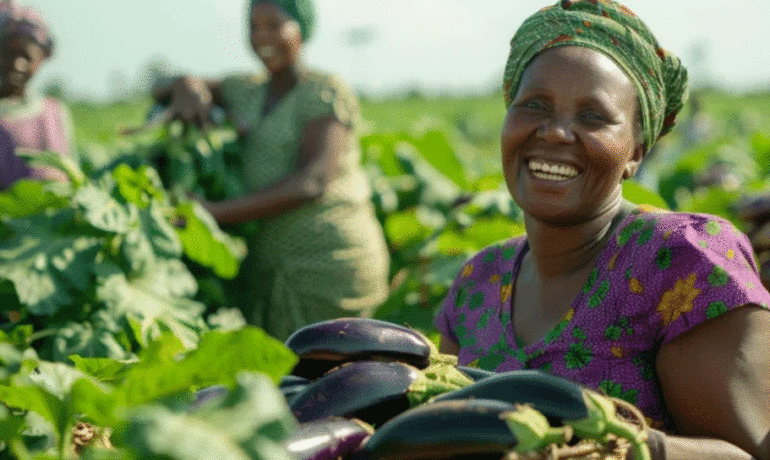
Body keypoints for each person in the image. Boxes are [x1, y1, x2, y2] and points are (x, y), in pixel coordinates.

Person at [435, 1, 770, 459]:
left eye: (593, 116)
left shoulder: (681, 259)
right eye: (533, 105)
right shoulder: (478, 281)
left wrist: (612, 447)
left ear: (635, 151)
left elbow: (749, 453)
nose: (554, 132)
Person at [152, 0, 390, 341]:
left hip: (331, 265)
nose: (262, 36)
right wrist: (186, 85)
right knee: (285, 379)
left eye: (274, 24)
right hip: (270, 265)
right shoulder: (246, 90)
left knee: (332, 375)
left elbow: (313, 181)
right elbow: (162, 86)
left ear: (301, 28)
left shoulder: (323, 90)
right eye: (253, 26)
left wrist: (215, 214)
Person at [0, 0, 74, 190]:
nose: (17, 64)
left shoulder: (53, 113)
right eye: (7, 54)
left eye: (26, 57)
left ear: (41, 58)